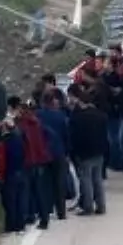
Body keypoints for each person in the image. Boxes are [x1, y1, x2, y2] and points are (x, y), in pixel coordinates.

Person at [67, 84, 109, 215]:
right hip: (99, 151)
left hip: (84, 153)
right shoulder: (101, 115)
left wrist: (74, 152)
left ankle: (88, 207)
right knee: (97, 179)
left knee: (86, 180)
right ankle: (101, 206)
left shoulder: (78, 118)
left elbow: (75, 136)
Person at [14, 98, 52, 231]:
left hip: (27, 161)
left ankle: (25, 218)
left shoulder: (21, 125)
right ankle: (44, 218)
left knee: (25, 192)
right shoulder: (37, 122)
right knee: (39, 191)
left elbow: (20, 144)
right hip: (39, 161)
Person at [36, 92, 71, 221]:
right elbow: (66, 135)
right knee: (59, 183)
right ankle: (61, 211)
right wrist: (67, 152)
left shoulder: (38, 116)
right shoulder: (60, 116)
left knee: (45, 183)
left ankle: (46, 210)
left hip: (44, 153)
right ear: (53, 102)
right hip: (59, 152)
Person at [0, 109, 26, 234]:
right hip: (21, 171)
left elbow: (2, 162)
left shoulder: (4, 142)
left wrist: (2, 177)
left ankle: (11, 226)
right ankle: (20, 224)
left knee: (10, 201)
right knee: (20, 199)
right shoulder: (20, 138)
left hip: (9, 174)